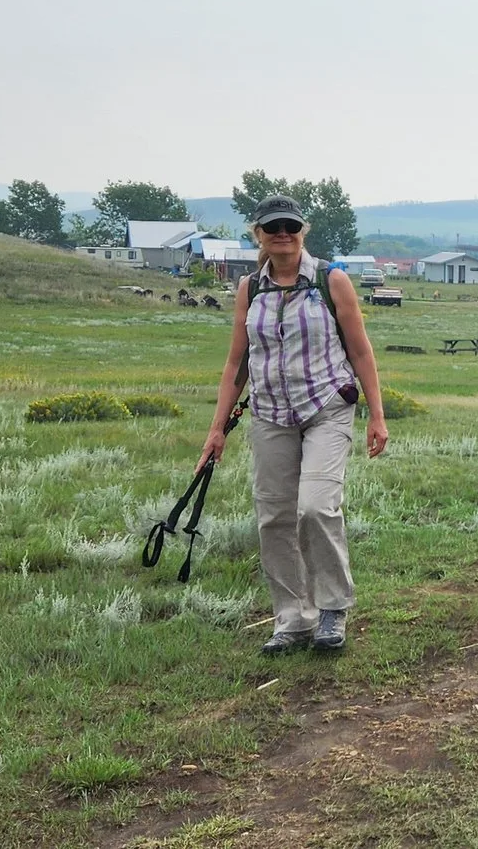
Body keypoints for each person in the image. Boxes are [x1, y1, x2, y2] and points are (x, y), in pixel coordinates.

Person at [201, 195, 390, 656]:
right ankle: (292, 619)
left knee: (315, 507)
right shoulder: (250, 288)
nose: (282, 233)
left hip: (326, 407)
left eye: (290, 225)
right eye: (272, 227)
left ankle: (332, 609)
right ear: (259, 234)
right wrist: (217, 428)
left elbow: (360, 350)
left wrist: (377, 415)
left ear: (302, 231)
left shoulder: (331, 280)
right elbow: (236, 362)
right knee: (274, 517)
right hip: (270, 414)